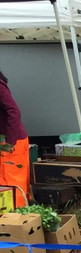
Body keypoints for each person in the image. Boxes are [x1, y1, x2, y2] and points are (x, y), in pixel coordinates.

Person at [0, 69, 31, 206]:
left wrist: (10, 141)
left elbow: (14, 111)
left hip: (12, 141)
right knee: (4, 180)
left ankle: (19, 217)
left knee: (13, 180)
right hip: (4, 140)